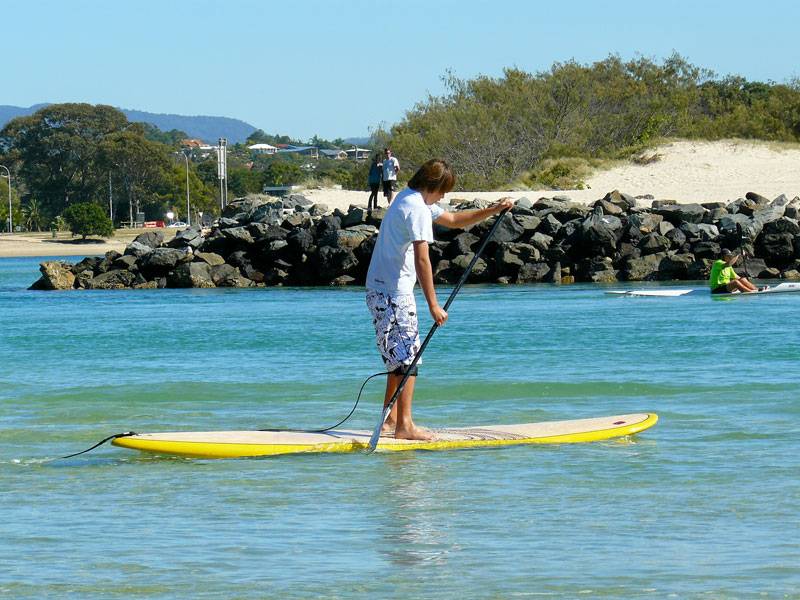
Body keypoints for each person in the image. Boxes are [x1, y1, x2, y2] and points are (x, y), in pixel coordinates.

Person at [365, 158, 514, 441]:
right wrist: (433, 305)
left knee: (399, 359)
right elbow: (423, 259)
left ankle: (390, 421)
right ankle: (404, 426)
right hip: (392, 292)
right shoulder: (415, 209)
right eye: (443, 190)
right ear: (431, 186)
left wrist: (494, 210)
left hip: (381, 289)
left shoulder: (409, 199)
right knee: (409, 358)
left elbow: (456, 221)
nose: (444, 196)